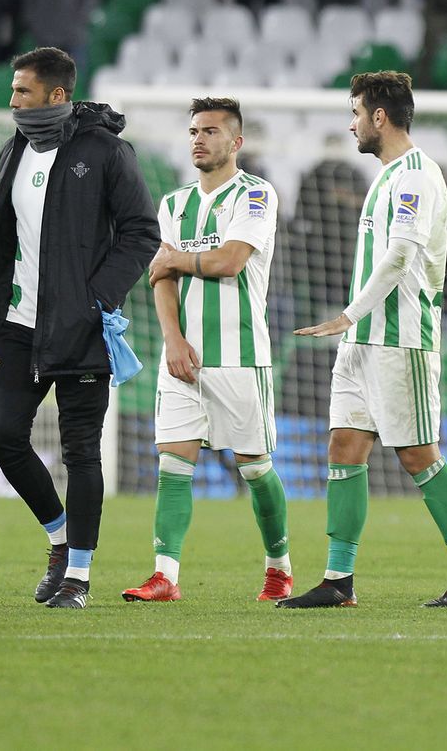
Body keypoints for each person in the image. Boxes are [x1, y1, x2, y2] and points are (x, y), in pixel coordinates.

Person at [282, 71, 447, 608]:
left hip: (401, 339)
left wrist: (348, 315)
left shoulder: (418, 177)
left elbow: (402, 256)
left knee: (419, 454)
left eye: (356, 113)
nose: (351, 124)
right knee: (344, 445)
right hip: (364, 342)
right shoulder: (384, 176)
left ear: (380, 116)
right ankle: (338, 580)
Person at [0, 47, 158, 609]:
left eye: (22, 91)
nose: (12, 101)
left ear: (56, 95)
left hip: (83, 327)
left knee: (81, 454)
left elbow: (142, 231)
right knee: (3, 436)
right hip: (20, 326)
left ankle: (78, 576)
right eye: (12, 90)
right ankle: (58, 538)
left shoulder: (106, 151)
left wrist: (97, 296)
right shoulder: (13, 151)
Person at [121, 97, 292, 604]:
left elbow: (232, 260)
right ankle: (164, 575)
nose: (199, 138)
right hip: (183, 358)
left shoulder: (256, 196)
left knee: (255, 469)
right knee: (173, 464)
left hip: (240, 355)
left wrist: (178, 259)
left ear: (235, 142)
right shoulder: (173, 204)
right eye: (194, 130)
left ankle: (279, 569)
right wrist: (172, 339)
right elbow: (161, 278)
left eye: (212, 131)